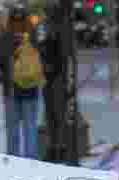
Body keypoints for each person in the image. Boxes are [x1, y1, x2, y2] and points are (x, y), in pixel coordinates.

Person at [0, 5, 43, 159]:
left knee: (12, 130)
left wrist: (3, 76)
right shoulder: (33, 37)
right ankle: (31, 161)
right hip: (31, 89)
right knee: (30, 128)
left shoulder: (3, 38)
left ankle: (14, 163)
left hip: (11, 91)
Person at [37, 2, 66, 162]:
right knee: (51, 115)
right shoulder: (46, 28)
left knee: (56, 114)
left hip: (56, 76)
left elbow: (60, 55)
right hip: (49, 76)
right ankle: (54, 147)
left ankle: (58, 148)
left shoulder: (57, 29)